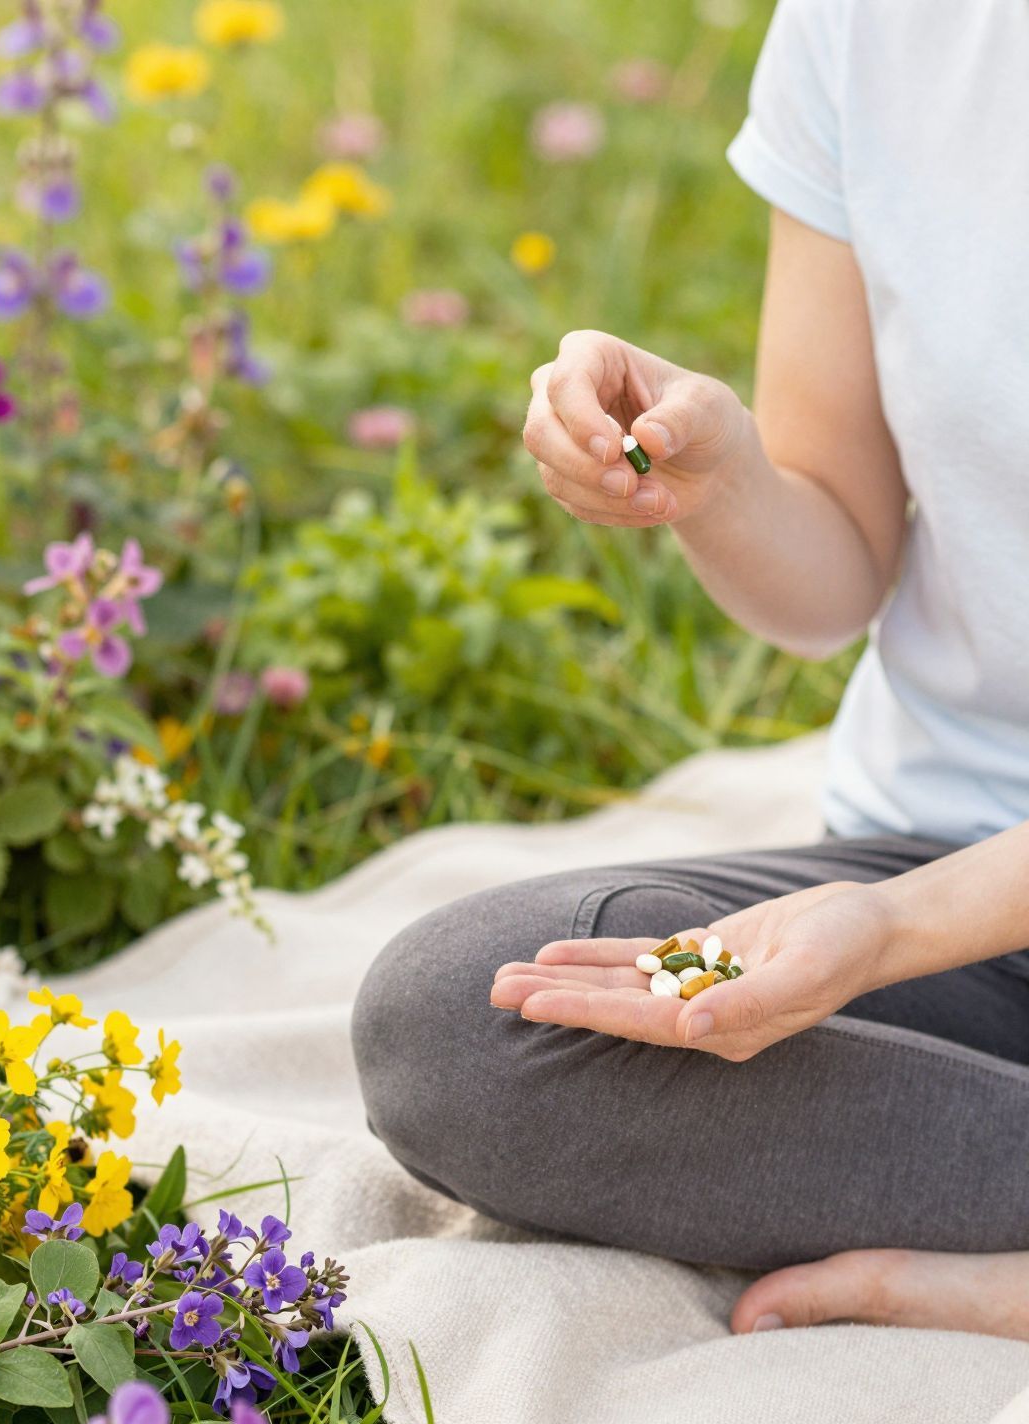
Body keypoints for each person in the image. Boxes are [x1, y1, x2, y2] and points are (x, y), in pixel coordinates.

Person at [352, 0, 1029, 1340]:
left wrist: (898, 927)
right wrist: (716, 482)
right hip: (949, 863)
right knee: (463, 1021)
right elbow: (834, 567)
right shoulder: (869, 26)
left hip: (929, 913)